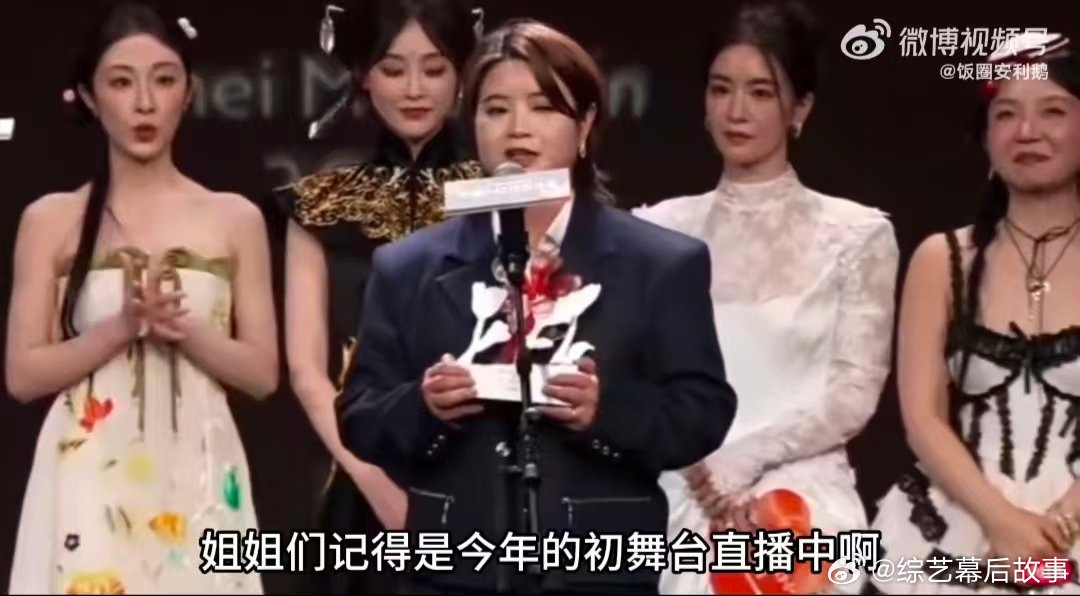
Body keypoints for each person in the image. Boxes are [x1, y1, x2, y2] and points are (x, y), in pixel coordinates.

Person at [336, 18, 738, 594]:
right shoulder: (408, 267)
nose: (517, 128)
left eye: (543, 107)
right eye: (495, 109)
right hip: (454, 572)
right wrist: (425, 406)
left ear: (586, 124)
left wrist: (606, 412)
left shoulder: (660, 263)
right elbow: (360, 416)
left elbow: (702, 411)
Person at [5, 2, 278, 594]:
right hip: (87, 472)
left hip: (202, 468)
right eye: (122, 83)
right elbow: (23, 374)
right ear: (89, 96)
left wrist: (186, 330)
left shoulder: (234, 217)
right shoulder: (52, 219)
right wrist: (119, 328)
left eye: (164, 80)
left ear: (189, 92)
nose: (145, 103)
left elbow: (262, 375)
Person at [634, 1, 899, 593]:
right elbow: (644, 380)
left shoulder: (856, 236)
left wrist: (746, 460)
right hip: (683, 493)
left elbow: (852, 393)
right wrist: (703, 473)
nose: (736, 111)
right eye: (721, 89)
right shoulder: (657, 231)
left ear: (799, 108)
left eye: (760, 92)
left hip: (802, 497)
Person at [269, 0, 483, 592]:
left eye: (434, 69)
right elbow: (308, 372)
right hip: (363, 483)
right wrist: (374, 483)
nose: (414, 89)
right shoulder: (318, 203)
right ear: (363, 75)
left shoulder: (502, 193)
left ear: (462, 74)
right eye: (393, 69)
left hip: (480, 474)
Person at [869, 32, 1080, 594]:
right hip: (960, 522)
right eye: (1006, 114)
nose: (1027, 131)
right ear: (985, 138)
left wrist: (1057, 527)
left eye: (1053, 111)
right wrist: (1001, 521)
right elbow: (922, 418)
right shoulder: (943, 259)